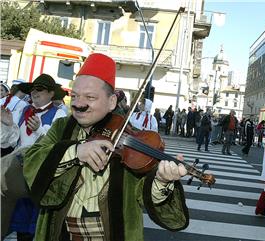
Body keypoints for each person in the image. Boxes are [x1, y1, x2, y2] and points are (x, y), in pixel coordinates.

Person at [22, 53, 189, 241]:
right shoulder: (61, 127)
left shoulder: (132, 140)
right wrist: (75, 151)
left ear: (111, 102)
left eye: (90, 97)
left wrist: (161, 181)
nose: (78, 104)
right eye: (74, 96)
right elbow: (32, 160)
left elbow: (146, 197)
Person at [1, 74, 67, 241]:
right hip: (19, 169)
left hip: (40, 172)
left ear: (51, 93)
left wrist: (39, 129)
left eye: (39, 89)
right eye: (32, 89)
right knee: (19, 223)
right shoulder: (23, 110)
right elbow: (12, 142)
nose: (34, 93)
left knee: (35, 224)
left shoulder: (59, 114)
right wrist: (9, 125)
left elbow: (57, 145)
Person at [0, 82, 29, 156]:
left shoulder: (3, 99)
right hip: (6, 141)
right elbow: (15, 123)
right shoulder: (23, 104)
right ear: (21, 91)